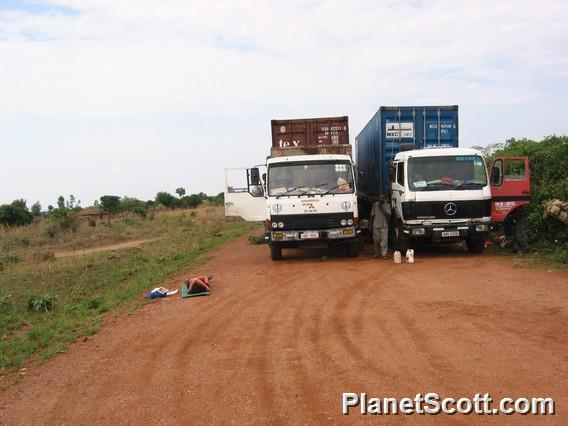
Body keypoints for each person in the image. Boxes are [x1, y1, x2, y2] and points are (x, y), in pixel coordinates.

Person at [370, 194, 391, 259]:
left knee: (384, 241)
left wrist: (381, 207)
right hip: (376, 225)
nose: (380, 199)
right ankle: (376, 253)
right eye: (379, 198)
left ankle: (384, 254)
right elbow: (372, 215)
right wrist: (370, 225)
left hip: (384, 225)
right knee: (376, 240)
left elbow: (388, 215)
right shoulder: (375, 205)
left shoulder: (387, 205)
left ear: (384, 199)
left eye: (382, 198)